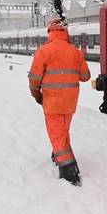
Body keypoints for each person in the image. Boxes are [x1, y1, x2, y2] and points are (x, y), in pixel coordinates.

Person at [28, 18, 91, 186]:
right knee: (62, 132)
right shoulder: (75, 51)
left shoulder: (43, 51)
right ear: (65, 33)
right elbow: (86, 77)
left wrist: (36, 94)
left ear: (50, 32)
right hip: (70, 103)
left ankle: (70, 170)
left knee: (57, 135)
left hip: (52, 102)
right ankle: (58, 156)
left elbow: (34, 78)